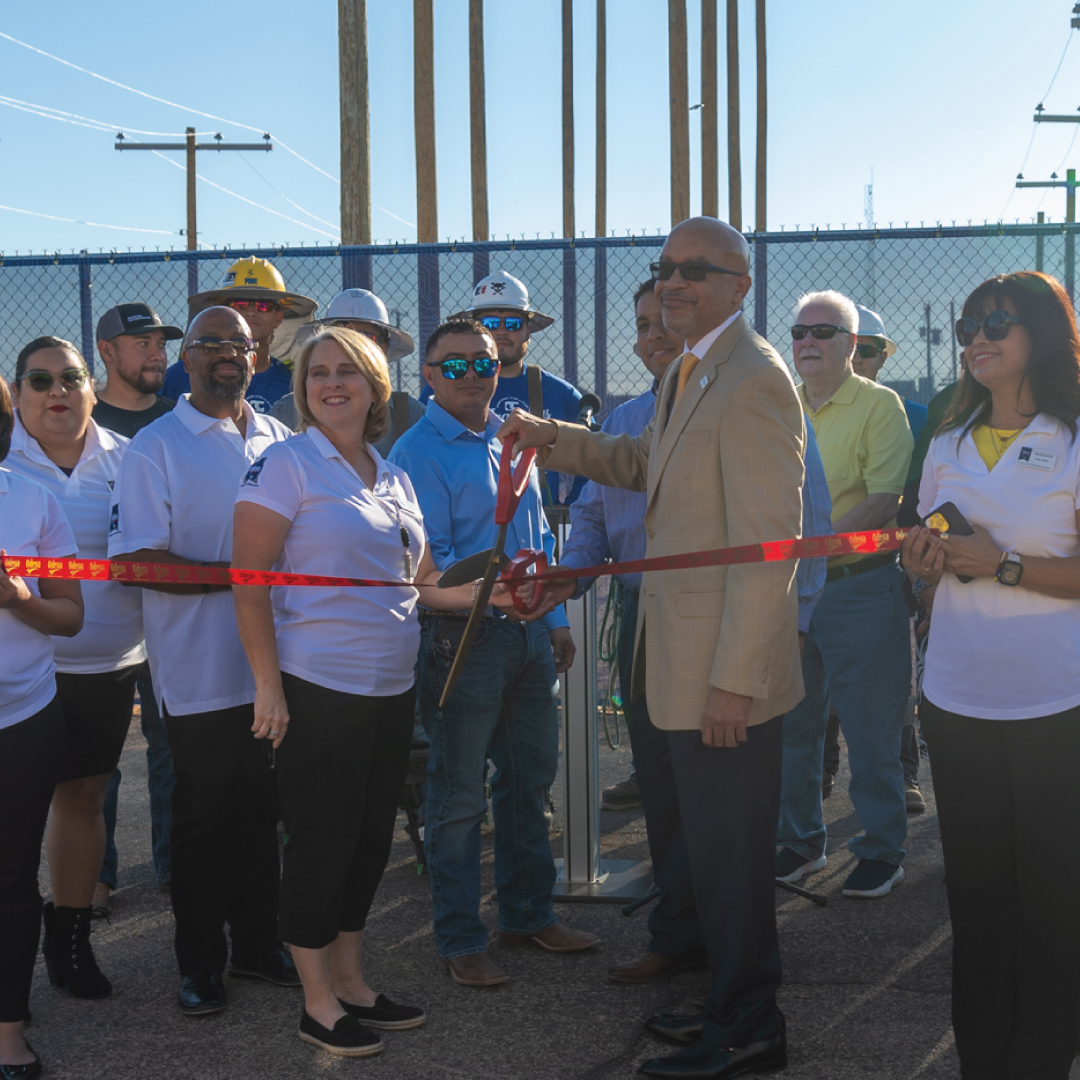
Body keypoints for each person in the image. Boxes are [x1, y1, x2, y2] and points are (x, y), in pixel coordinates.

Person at [498, 216, 807, 1080]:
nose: (672, 282)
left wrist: (734, 686)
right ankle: (724, 1007)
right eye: (665, 268)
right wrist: (551, 438)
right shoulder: (693, 373)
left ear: (740, 285)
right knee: (707, 853)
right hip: (676, 661)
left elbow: (765, 550)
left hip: (719, 677)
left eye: (694, 271)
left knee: (732, 860)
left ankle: (751, 1030)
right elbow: (641, 463)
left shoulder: (751, 380)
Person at [233, 326, 539, 1055]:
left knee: (369, 842)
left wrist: (493, 599)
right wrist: (268, 687)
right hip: (318, 687)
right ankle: (315, 1000)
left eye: (348, 373)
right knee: (320, 841)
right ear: (304, 389)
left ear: (375, 387)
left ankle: (352, 982)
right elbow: (247, 583)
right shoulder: (285, 464)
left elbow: (425, 586)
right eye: (317, 374)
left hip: (389, 687)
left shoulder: (390, 474)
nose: (332, 384)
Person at [564, 281, 831, 849]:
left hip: (720, 629)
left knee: (721, 808)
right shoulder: (633, 416)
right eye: (641, 325)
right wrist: (570, 573)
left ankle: (729, 919)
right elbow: (591, 513)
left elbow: (798, 528)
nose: (654, 333)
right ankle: (677, 923)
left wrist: (794, 624)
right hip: (641, 621)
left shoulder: (752, 388)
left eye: (664, 318)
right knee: (661, 789)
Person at [902, 271, 1080, 1079]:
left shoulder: (1074, 437)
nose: (977, 337)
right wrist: (924, 563)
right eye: (969, 323)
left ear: (1042, 331)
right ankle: (986, 1061)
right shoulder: (945, 440)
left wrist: (1004, 564)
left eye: (996, 322)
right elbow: (929, 568)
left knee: (1053, 899)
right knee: (977, 899)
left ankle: (1041, 1060)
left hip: (1057, 704)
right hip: (958, 699)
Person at [390, 319, 596, 989]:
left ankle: (528, 914)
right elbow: (433, 560)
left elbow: (535, 534)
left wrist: (555, 618)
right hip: (464, 640)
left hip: (529, 634)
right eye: (453, 366)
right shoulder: (418, 452)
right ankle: (459, 936)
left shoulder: (512, 437)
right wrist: (500, 595)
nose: (473, 373)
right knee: (458, 799)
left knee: (528, 783)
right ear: (426, 375)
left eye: (482, 362)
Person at [109, 305, 298, 1016]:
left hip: (278, 669)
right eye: (211, 342)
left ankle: (257, 946)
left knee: (262, 815)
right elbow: (134, 563)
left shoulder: (281, 437)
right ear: (187, 358)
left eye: (240, 344)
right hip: (198, 675)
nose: (228, 353)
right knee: (204, 823)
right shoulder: (154, 446)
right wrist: (242, 573)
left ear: (258, 357)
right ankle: (199, 963)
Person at [6, 337, 146, 1000]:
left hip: (108, 664)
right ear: (17, 395)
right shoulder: (7, 470)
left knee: (84, 797)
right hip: (24, 675)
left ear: (94, 386)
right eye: (39, 380)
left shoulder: (132, 460)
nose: (57, 391)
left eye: (70, 377)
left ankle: (69, 943)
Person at [776, 291, 914, 901]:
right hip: (793, 593)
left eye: (824, 332)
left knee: (870, 731)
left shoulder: (881, 406)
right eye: (800, 332)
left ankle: (883, 850)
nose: (808, 342)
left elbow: (885, 501)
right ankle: (802, 842)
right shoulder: (783, 406)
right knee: (792, 728)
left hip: (859, 592)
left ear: (851, 345)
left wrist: (808, 545)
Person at [0, 372, 83, 1080]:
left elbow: (69, 615)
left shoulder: (33, 500)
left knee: (9, 878)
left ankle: (7, 1031)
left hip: (21, 719)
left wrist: (19, 595)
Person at [92, 302, 181, 912]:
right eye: (141, 341)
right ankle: (96, 877)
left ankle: (177, 866)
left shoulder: (179, 421)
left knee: (172, 747)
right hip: (99, 626)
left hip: (173, 618)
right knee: (97, 760)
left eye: (161, 342)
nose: (156, 352)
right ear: (106, 351)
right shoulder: (77, 418)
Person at [828, 303, 927, 813]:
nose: (858, 357)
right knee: (812, 700)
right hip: (820, 572)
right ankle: (819, 783)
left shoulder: (914, 416)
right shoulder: (801, 407)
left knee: (887, 694)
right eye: (851, 345)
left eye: (868, 349)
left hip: (887, 567)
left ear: (881, 358)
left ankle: (905, 776)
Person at [420, 271, 586, 508]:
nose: (501, 331)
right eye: (488, 324)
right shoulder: (440, 390)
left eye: (513, 323)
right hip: (462, 521)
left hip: (535, 526)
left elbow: (589, 455)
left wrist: (569, 510)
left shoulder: (562, 394)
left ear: (528, 331)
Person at [271, 288, 425, 451]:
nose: (350, 346)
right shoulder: (285, 412)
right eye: (341, 335)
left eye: (364, 338)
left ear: (383, 348)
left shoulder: (412, 416)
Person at [162, 257, 317, 413]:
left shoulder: (292, 384)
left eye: (262, 306)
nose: (250, 312)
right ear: (224, 311)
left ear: (277, 318)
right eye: (240, 305)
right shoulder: (183, 374)